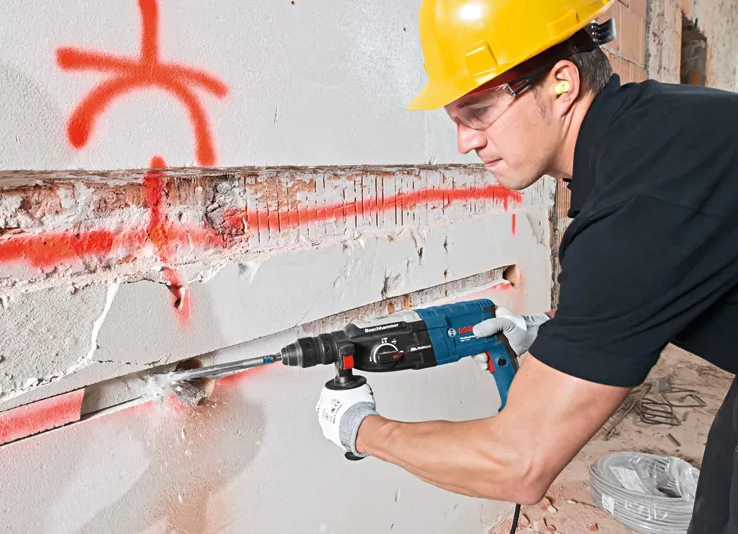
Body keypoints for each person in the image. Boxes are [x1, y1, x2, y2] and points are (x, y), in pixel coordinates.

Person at [313, 1, 738, 532]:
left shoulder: (635, 206)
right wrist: (560, 334)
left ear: (561, 83)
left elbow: (518, 464)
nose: (465, 140)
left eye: (479, 111)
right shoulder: (653, 129)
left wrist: (359, 428)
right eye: (455, 118)